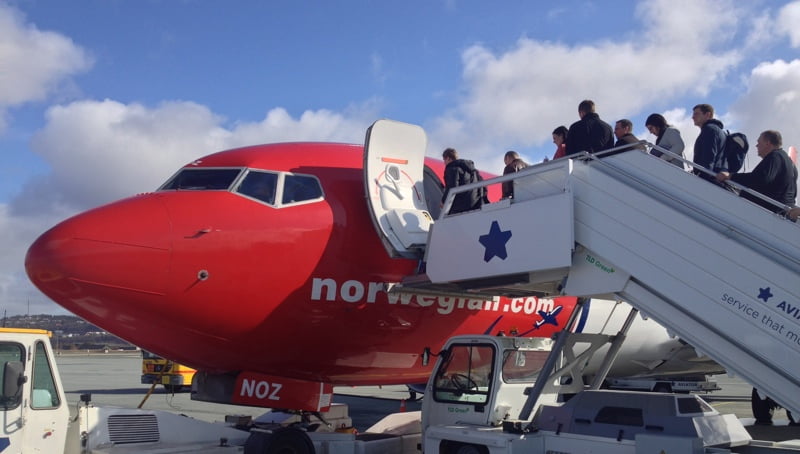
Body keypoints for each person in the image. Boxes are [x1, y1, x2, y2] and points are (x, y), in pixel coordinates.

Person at [716, 130, 798, 213]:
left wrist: (731, 176)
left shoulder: (775, 156)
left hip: (769, 212)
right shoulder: (791, 164)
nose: (756, 145)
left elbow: (760, 179)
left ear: (767, 143)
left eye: (759, 142)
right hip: (784, 212)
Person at [441, 148, 485, 214]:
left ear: (448, 158)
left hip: (461, 206)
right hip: (475, 204)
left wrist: (443, 201)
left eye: (444, 160)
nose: (444, 162)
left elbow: (452, 187)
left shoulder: (452, 168)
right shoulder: (473, 170)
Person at [692, 103, 727, 181]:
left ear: (707, 115)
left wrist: (703, 177)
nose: (693, 117)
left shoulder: (710, 130)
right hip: (713, 176)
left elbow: (709, 155)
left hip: (707, 178)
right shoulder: (718, 130)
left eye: (696, 114)